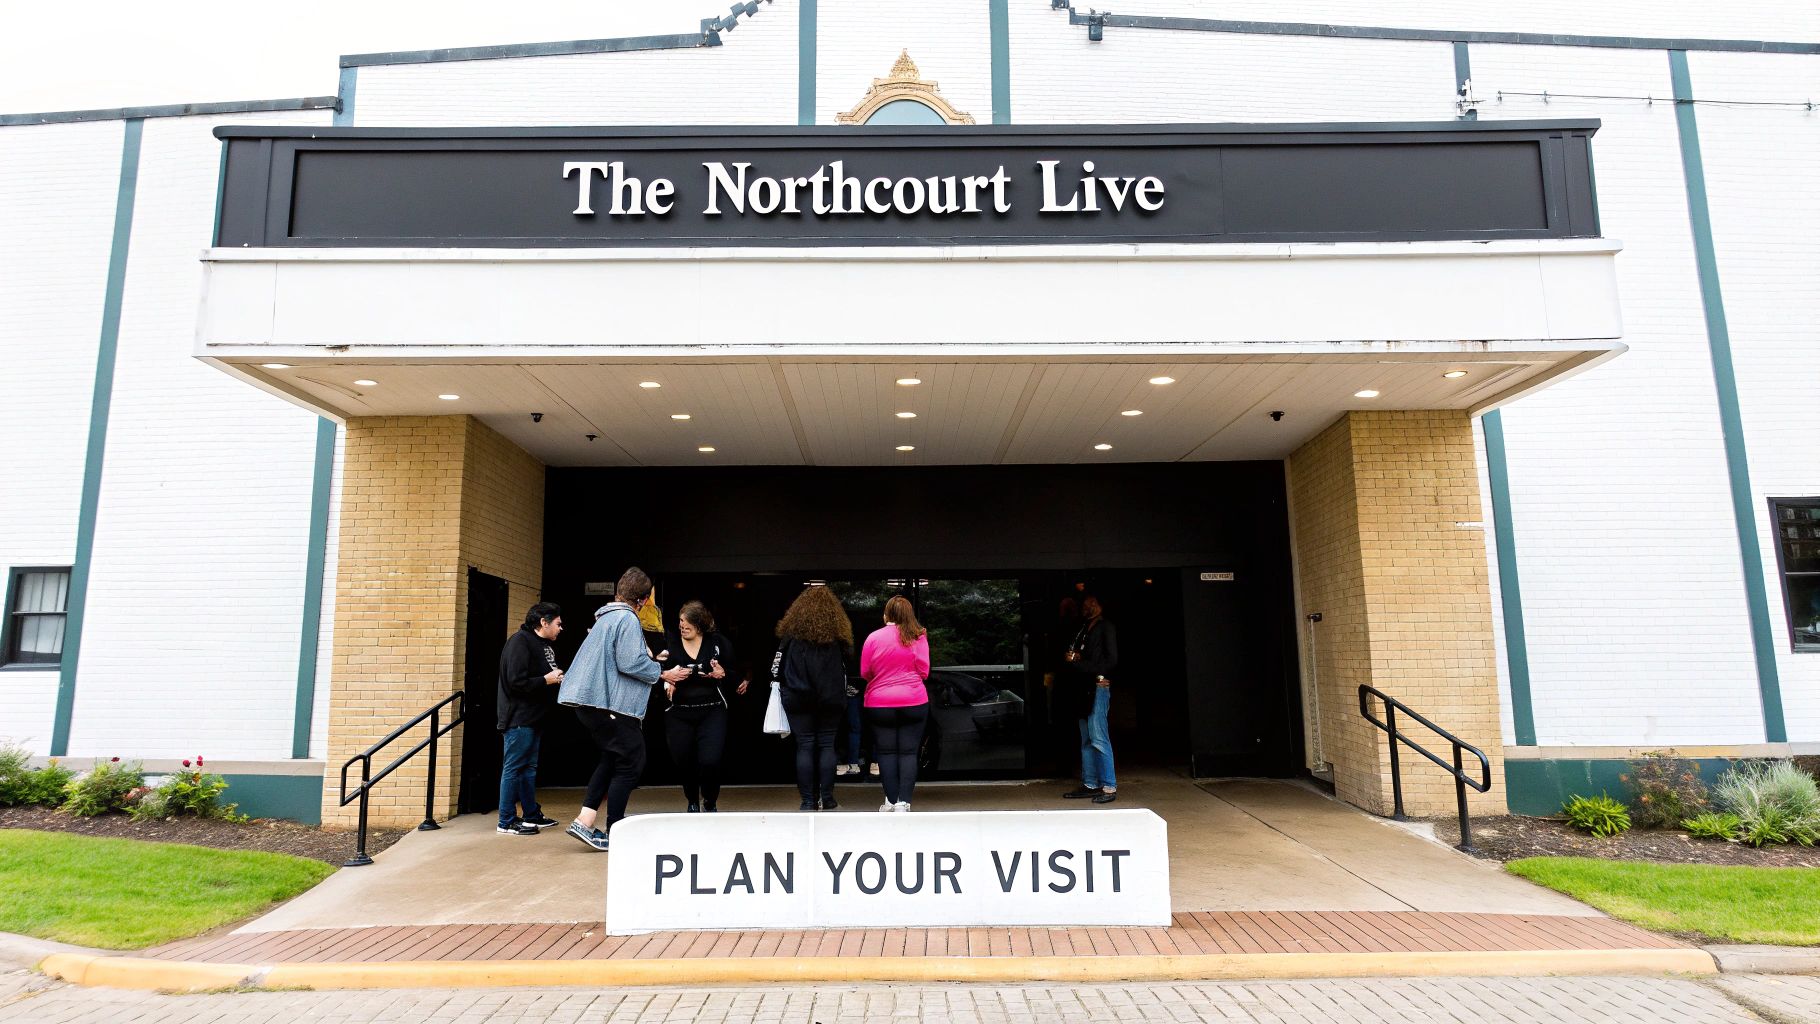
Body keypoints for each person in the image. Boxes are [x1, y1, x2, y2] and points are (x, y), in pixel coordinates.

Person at [558, 567, 691, 850]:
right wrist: (662, 672)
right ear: (642, 600)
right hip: (609, 704)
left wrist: (650, 658)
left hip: (591, 702)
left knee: (612, 757)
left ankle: (584, 820)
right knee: (632, 761)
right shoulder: (627, 618)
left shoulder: (607, 617)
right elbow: (629, 662)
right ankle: (616, 829)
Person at [658, 600, 744, 812]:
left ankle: (710, 800)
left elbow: (735, 674)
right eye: (680, 621)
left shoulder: (717, 643)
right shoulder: (670, 643)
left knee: (710, 760)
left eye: (687, 622)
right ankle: (692, 801)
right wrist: (667, 681)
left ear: (699, 624)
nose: (682, 626)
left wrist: (723, 673)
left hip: (712, 709)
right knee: (683, 760)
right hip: (679, 712)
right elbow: (656, 670)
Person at [774, 585, 853, 811]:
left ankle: (808, 801)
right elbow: (849, 664)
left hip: (797, 696)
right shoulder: (839, 638)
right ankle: (827, 798)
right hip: (831, 696)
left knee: (805, 745)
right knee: (827, 745)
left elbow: (776, 667)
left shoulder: (790, 637)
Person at [495, 602, 564, 836]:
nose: (560, 628)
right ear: (543, 622)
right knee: (514, 769)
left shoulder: (541, 644)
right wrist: (546, 680)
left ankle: (531, 815)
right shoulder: (520, 642)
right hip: (519, 719)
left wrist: (554, 678)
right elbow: (515, 681)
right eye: (558, 623)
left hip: (534, 718)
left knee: (528, 769)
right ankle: (506, 821)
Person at [859, 595, 931, 812]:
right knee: (908, 753)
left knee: (886, 752)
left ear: (887, 614)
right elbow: (924, 671)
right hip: (914, 700)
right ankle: (903, 802)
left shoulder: (873, 638)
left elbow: (865, 672)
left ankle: (890, 801)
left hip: (879, 703)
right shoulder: (918, 636)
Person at [1059, 594, 1119, 804]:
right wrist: (1076, 657)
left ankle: (1109, 786)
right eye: (1085, 603)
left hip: (1097, 686)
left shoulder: (1106, 626)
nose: (1088, 606)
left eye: (1092, 602)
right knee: (1086, 739)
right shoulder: (1084, 627)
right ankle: (1090, 783)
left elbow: (1112, 660)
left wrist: (1081, 665)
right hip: (1082, 687)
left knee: (1098, 737)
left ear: (1101, 605)